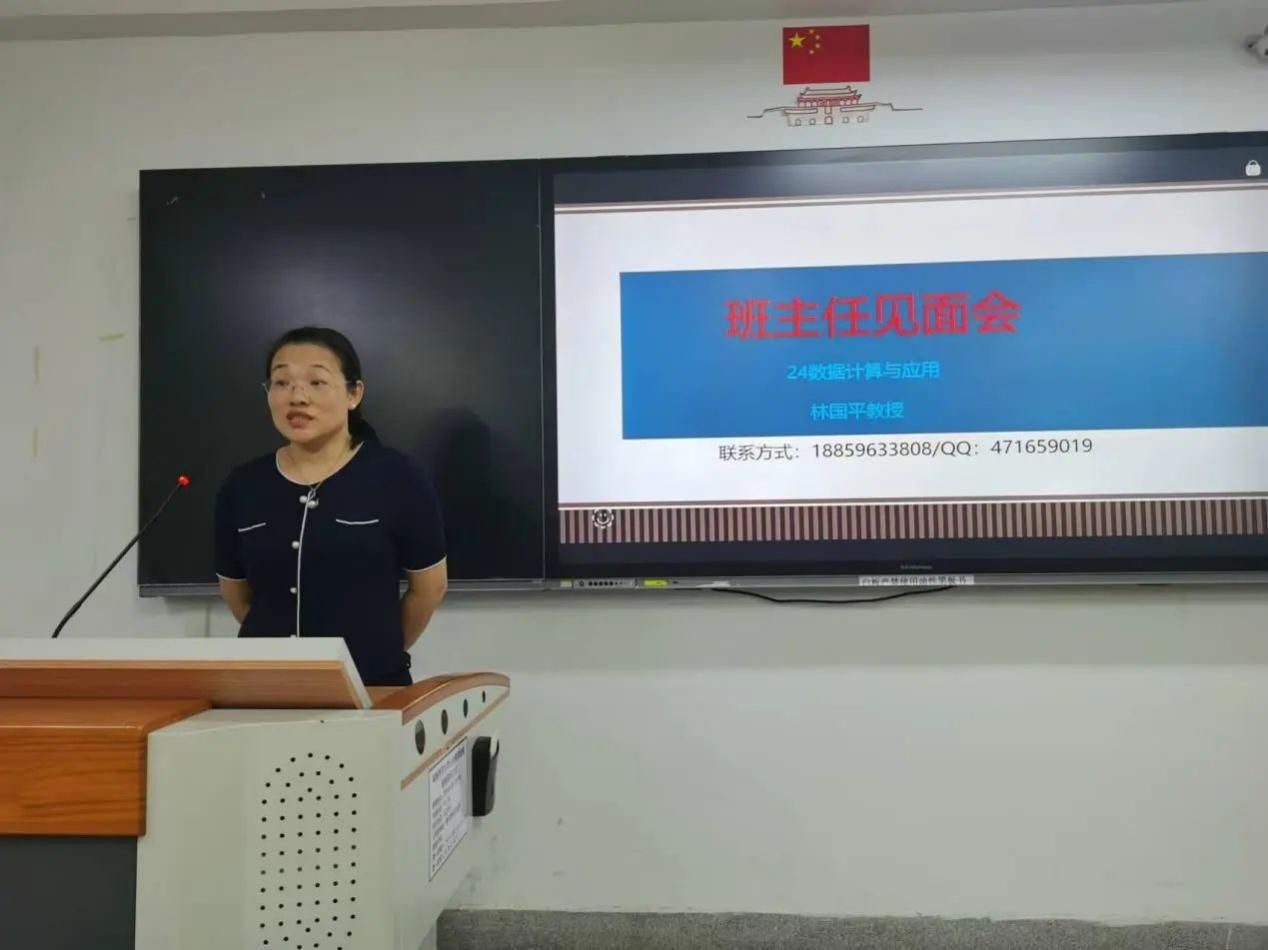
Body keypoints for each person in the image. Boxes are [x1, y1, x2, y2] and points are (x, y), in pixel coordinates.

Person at [214, 326, 447, 686]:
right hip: (266, 689)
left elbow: (429, 589)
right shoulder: (242, 485)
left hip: (372, 689)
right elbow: (239, 599)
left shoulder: (397, 477)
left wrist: (376, 653)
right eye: (281, 382)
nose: (297, 397)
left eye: (316, 382)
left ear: (354, 394)